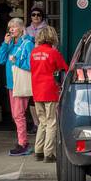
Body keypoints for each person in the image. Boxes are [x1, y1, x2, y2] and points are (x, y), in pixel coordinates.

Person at [29, 25, 68, 162]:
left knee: (42, 122)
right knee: (52, 122)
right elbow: (64, 68)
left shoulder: (33, 52)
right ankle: (48, 153)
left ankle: (38, 151)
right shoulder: (53, 53)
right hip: (50, 90)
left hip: (37, 91)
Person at [0, 17, 34, 156]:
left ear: (21, 28)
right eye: (9, 27)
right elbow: (0, 60)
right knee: (15, 115)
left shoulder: (27, 43)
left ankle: (22, 144)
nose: (11, 29)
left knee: (18, 115)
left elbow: (30, 65)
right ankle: (22, 142)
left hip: (21, 82)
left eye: (14, 27)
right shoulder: (11, 43)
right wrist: (5, 44)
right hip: (11, 84)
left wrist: (16, 61)